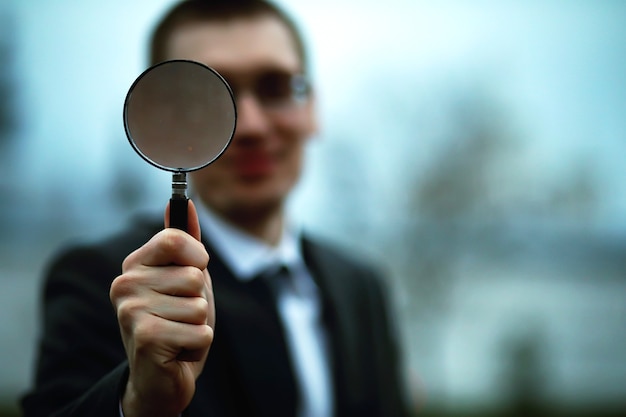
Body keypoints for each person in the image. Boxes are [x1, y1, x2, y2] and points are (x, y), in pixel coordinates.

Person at [21, 1, 411, 416]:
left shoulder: (362, 286)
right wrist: (137, 402)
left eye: (276, 88)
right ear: (161, 120)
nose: (251, 126)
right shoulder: (106, 282)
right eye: (209, 97)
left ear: (312, 108)